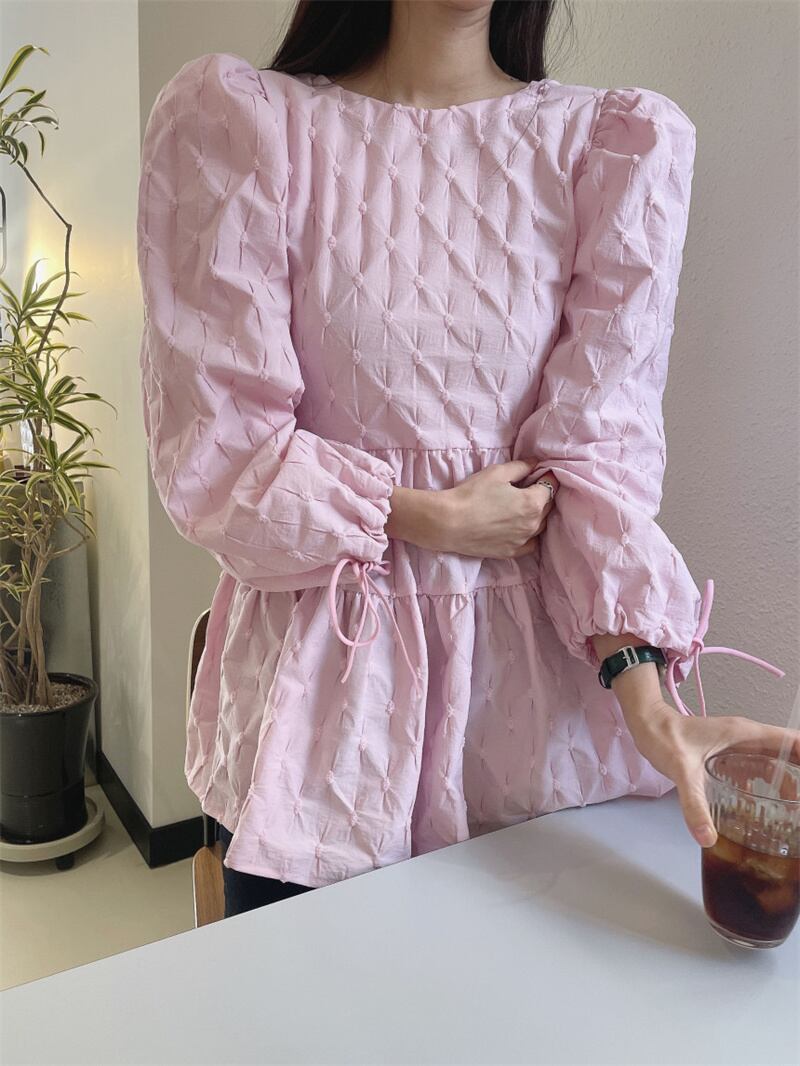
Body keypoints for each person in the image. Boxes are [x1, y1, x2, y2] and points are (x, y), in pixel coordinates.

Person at [137, 0, 798, 918]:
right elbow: (221, 452)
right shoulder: (251, 127)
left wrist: (650, 707)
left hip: (532, 731)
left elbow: (592, 473)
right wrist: (423, 516)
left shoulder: (605, 149)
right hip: (326, 726)